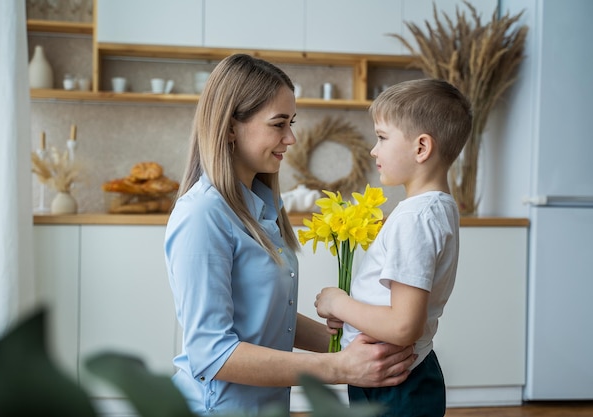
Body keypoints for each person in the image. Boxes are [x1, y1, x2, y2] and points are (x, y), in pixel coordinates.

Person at [164, 53, 416, 416]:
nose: (291, 138)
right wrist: (340, 367)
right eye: (279, 124)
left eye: (291, 122)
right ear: (230, 127)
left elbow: (268, 319)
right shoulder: (202, 214)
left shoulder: (262, 206)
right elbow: (212, 354)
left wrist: (353, 345)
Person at [314, 78, 473, 417]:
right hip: (402, 374)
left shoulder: (414, 218)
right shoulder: (438, 208)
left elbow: (404, 327)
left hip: (395, 381)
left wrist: (338, 303)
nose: (374, 149)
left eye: (382, 137)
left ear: (421, 148)